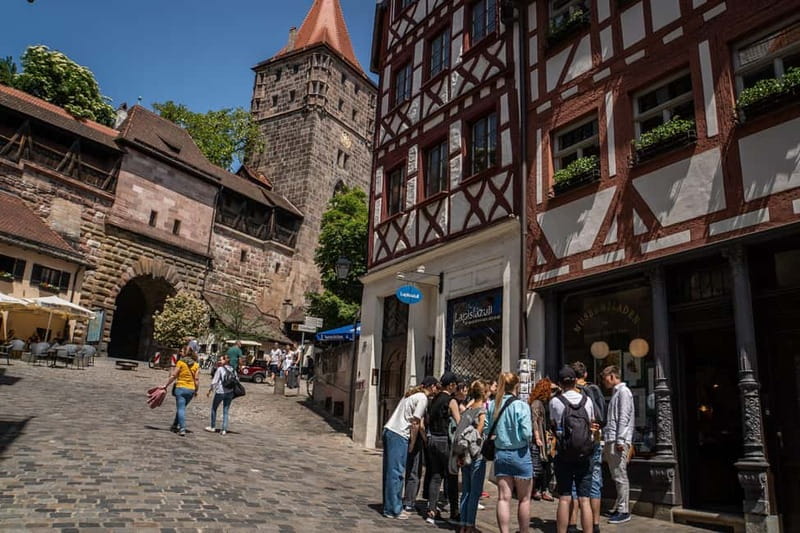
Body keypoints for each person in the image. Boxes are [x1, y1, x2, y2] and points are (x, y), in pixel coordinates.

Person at [382, 376, 439, 520]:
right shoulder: (422, 398)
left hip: (390, 430)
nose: (436, 390)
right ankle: (393, 509)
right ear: (431, 386)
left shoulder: (411, 395)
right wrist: (413, 443)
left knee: (390, 472)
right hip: (399, 434)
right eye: (435, 387)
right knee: (397, 473)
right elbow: (416, 423)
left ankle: (390, 505)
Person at [550, 366, 596, 533]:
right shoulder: (587, 401)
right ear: (575, 380)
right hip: (585, 453)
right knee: (585, 500)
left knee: (564, 498)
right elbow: (592, 424)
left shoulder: (555, 402)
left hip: (564, 454)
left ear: (560, 383)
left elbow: (553, 424)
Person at [486, 372, 532, 533]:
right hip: (520, 454)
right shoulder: (521, 405)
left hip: (501, 453)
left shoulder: (493, 405)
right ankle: (524, 531)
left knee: (503, 498)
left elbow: (487, 428)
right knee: (524, 499)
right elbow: (527, 433)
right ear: (516, 386)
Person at [568, 362, 606, 533]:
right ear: (586, 374)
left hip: (574, 443)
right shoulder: (594, 389)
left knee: (574, 483)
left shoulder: (569, 391)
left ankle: (572, 523)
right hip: (594, 438)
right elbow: (602, 416)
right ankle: (595, 524)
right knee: (595, 481)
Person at [424, 371, 461, 525]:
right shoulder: (450, 401)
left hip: (432, 439)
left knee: (435, 475)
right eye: (455, 385)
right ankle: (454, 512)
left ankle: (431, 510)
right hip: (445, 441)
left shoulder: (434, 399)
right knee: (451, 476)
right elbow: (459, 422)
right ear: (451, 385)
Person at [452, 380, 488, 533]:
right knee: (474, 491)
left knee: (466, 490)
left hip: (464, 454)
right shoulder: (481, 411)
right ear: (484, 393)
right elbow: (479, 432)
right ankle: (470, 525)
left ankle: (463, 524)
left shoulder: (466, 410)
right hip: (476, 454)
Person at [601, 365, 634, 525]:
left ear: (613, 376)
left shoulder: (623, 392)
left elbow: (624, 416)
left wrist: (621, 439)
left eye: (606, 377)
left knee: (620, 475)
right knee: (616, 475)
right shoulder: (617, 393)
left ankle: (624, 510)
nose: (604, 381)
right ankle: (619, 506)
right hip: (612, 438)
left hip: (617, 439)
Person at [162, 347, 200, 437]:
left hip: (181, 388)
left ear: (186, 353)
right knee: (181, 408)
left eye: (182, 351)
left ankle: (182, 428)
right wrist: (196, 390)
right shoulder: (196, 365)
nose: (180, 352)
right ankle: (175, 425)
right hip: (191, 389)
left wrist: (165, 385)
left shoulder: (180, 362)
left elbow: (174, 375)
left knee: (181, 408)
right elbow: (197, 379)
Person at [529, 378, 555, 502]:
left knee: (546, 464)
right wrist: (538, 437)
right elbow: (535, 421)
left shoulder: (546, 402)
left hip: (546, 438)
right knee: (538, 465)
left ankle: (543, 489)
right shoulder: (537, 403)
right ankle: (537, 489)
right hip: (540, 438)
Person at [205, 353, 235, 435]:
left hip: (220, 391)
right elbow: (236, 380)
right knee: (226, 410)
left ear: (225, 360)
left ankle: (212, 426)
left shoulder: (220, 369)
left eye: (221, 359)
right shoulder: (232, 369)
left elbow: (214, 382)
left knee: (214, 408)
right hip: (230, 392)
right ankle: (224, 429)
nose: (220, 361)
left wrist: (210, 390)